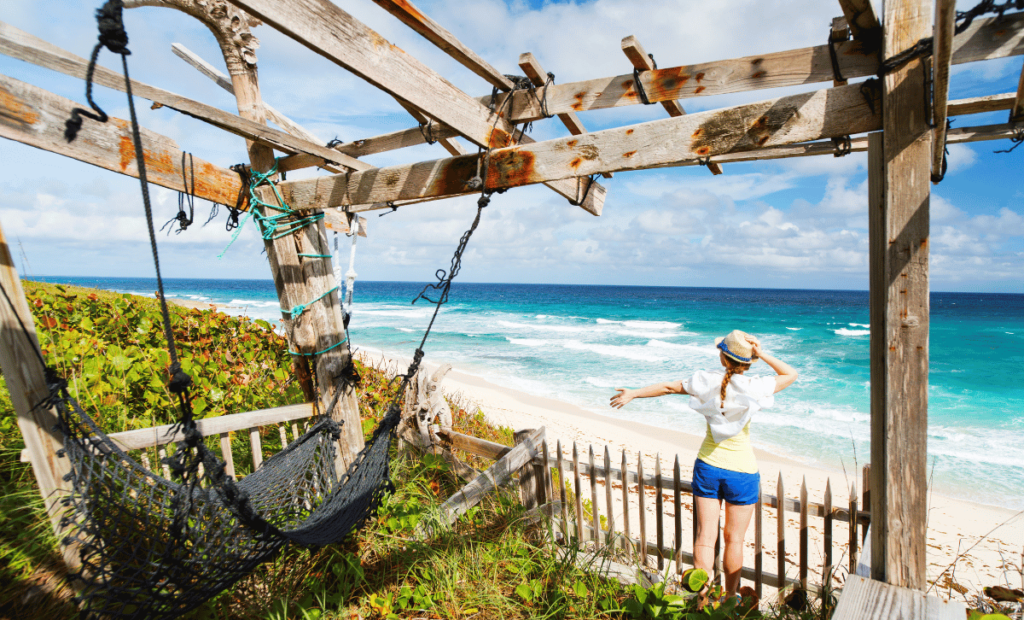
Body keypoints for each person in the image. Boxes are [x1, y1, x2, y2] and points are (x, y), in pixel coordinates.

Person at [609, 330, 797, 599]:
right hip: (742, 472)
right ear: (747, 362)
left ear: (723, 357)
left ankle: (703, 598)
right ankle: (730, 599)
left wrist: (634, 393)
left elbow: (668, 388)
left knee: (705, 538)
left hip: (708, 466)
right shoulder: (755, 386)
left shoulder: (705, 380)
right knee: (734, 541)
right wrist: (761, 352)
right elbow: (791, 374)